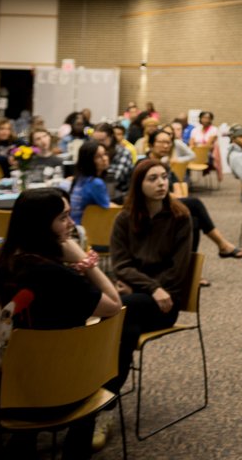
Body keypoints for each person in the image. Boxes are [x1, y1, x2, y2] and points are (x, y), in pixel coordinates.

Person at [0, 187, 121, 460]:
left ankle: (22, 444)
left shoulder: (4, 263)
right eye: (63, 217)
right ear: (43, 225)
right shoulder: (56, 276)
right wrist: (84, 261)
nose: (71, 223)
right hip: (52, 397)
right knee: (90, 368)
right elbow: (114, 304)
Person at [101, 158, 193, 449]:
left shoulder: (181, 217)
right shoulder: (125, 218)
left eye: (164, 177)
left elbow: (178, 270)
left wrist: (149, 288)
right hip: (142, 300)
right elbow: (121, 264)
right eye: (152, 178)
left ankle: (99, 404)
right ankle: (103, 402)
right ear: (138, 185)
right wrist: (151, 287)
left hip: (166, 304)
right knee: (125, 327)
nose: (161, 183)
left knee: (118, 316)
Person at [147, 127, 242, 265]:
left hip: (166, 204)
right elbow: (149, 193)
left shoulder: (164, 164)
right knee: (195, 203)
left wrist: (175, 195)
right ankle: (222, 245)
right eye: (161, 142)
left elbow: (176, 183)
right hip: (151, 209)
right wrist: (172, 197)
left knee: (194, 222)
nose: (166, 146)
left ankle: (190, 270)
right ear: (151, 144)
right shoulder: (144, 164)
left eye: (169, 143)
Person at [68, 139, 111, 225]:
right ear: (88, 161)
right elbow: (109, 208)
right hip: (84, 229)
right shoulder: (96, 183)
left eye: (105, 154)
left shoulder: (79, 178)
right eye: (98, 157)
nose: (104, 159)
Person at [188, 111, 221, 181]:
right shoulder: (195, 130)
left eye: (208, 118)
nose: (206, 120)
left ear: (211, 119)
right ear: (200, 118)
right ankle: (187, 181)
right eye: (204, 117)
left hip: (207, 155)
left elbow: (208, 145)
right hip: (194, 153)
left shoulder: (214, 130)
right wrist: (197, 146)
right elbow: (191, 143)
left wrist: (198, 145)